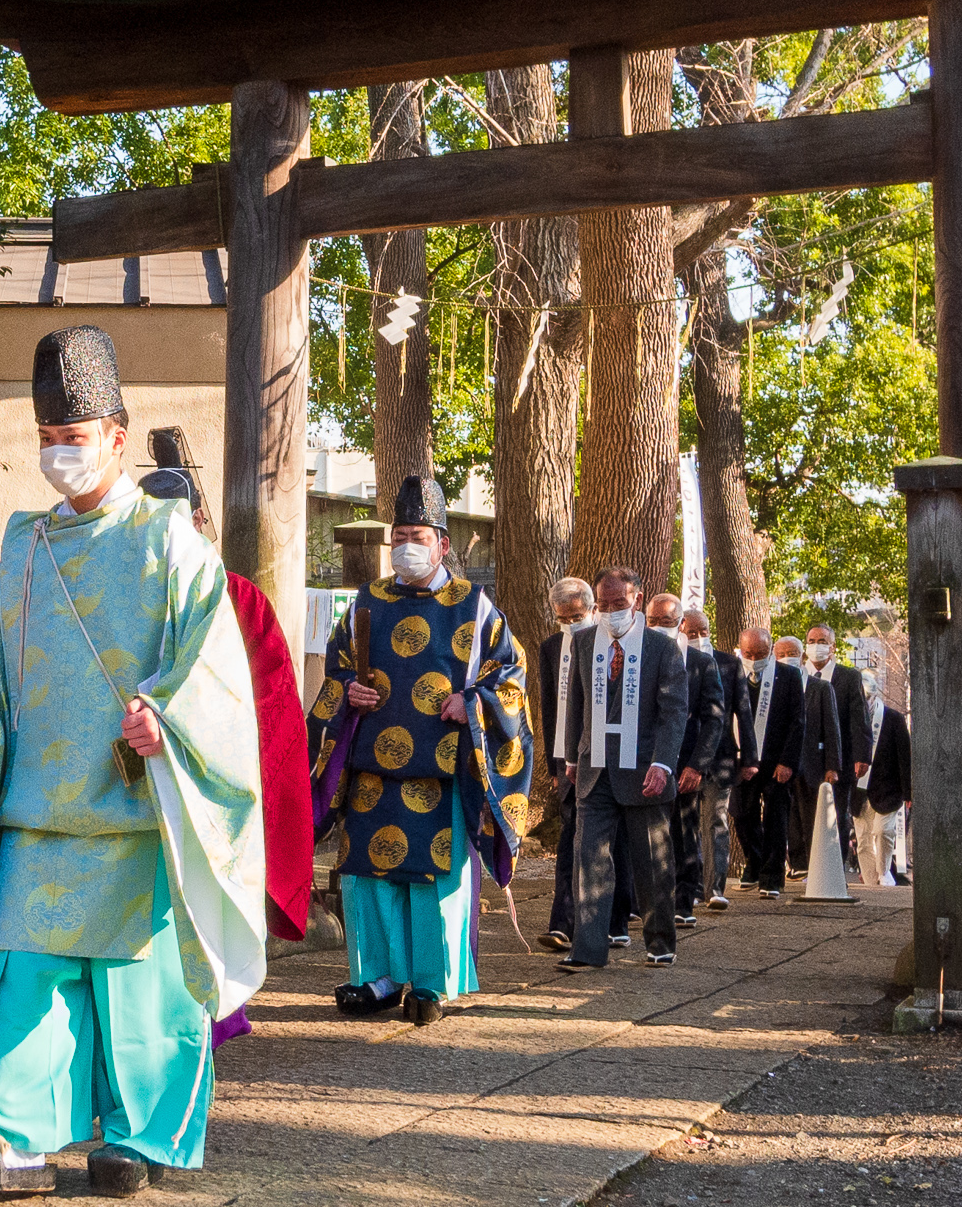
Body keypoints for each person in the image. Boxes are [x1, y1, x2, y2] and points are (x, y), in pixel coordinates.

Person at [0, 326, 264, 1198]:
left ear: (116, 435)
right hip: (36, 813)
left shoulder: (171, 544)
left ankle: (143, 1138)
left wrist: (172, 724)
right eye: (45, 438)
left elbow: (214, 667)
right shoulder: (23, 548)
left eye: (71, 437)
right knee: (21, 988)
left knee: (142, 996)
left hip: (136, 815)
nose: (56, 453)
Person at [306, 475, 533, 1026]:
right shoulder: (367, 602)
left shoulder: (476, 608)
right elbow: (337, 669)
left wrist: (472, 701)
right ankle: (375, 977)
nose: (406, 544)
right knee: (367, 878)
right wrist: (348, 692)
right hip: (370, 771)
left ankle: (433, 983)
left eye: (419, 535)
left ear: (442, 543)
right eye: (399, 534)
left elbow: (512, 678)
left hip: (442, 769)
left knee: (435, 880)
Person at [140, 444, 314, 1044]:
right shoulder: (118, 595)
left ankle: (211, 1007)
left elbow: (268, 699)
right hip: (127, 775)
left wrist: (207, 744)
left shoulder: (240, 598)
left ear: (197, 523)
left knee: (201, 888)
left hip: (213, 774)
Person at [559, 567, 690, 970]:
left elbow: (674, 712)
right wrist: (569, 758)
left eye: (619, 604)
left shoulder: (662, 648)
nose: (611, 611)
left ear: (637, 598)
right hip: (594, 767)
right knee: (590, 859)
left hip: (644, 770)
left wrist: (664, 763)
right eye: (604, 605)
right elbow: (575, 705)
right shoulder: (584, 643)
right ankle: (588, 949)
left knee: (652, 863)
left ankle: (659, 941)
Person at [537, 576, 632, 954]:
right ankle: (563, 922)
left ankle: (615, 918)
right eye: (563, 618)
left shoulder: (609, 644)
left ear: (592, 609)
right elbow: (549, 706)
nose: (570, 623)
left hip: (605, 753)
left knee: (611, 838)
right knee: (569, 835)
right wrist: (554, 759)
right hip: (567, 756)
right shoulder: (550, 648)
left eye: (576, 615)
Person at [645, 593, 723, 929]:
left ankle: (683, 900)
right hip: (641, 763)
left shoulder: (701, 664)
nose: (660, 628)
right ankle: (640, 900)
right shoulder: (634, 659)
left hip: (685, 764)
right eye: (654, 622)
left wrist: (697, 764)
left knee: (683, 832)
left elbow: (714, 719)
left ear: (682, 625)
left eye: (667, 622)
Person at [682, 608, 752, 911]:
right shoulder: (675, 659)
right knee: (686, 824)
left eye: (703, 631)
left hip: (722, 756)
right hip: (685, 757)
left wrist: (749, 756)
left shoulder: (729, 663)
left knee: (717, 820)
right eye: (691, 632)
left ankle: (715, 888)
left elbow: (743, 713)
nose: (698, 637)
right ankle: (692, 886)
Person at [731, 627, 802, 898]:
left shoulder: (788, 675)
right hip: (743, 759)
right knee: (741, 814)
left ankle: (772, 877)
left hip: (776, 762)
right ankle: (755, 861)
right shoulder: (732, 671)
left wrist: (787, 762)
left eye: (759, 653)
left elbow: (797, 722)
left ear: (770, 650)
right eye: (748, 653)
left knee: (776, 818)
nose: (753, 657)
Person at [792, 626, 861, 888]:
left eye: (822, 641)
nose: (816, 645)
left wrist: (859, 757)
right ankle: (802, 866)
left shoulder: (848, 677)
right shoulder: (795, 675)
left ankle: (835, 867)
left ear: (833, 646)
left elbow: (857, 721)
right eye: (811, 641)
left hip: (837, 760)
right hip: (801, 759)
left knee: (836, 815)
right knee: (800, 816)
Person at [851, 673, 912, 886]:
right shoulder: (848, 718)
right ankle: (870, 882)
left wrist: (909, 792)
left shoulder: (893, 718)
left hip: (888, 788)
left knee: (883, 830)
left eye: (865, 698)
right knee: (863, 840)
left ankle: (884, 871)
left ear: (873, 696)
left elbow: (905, 757)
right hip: (858, 789)